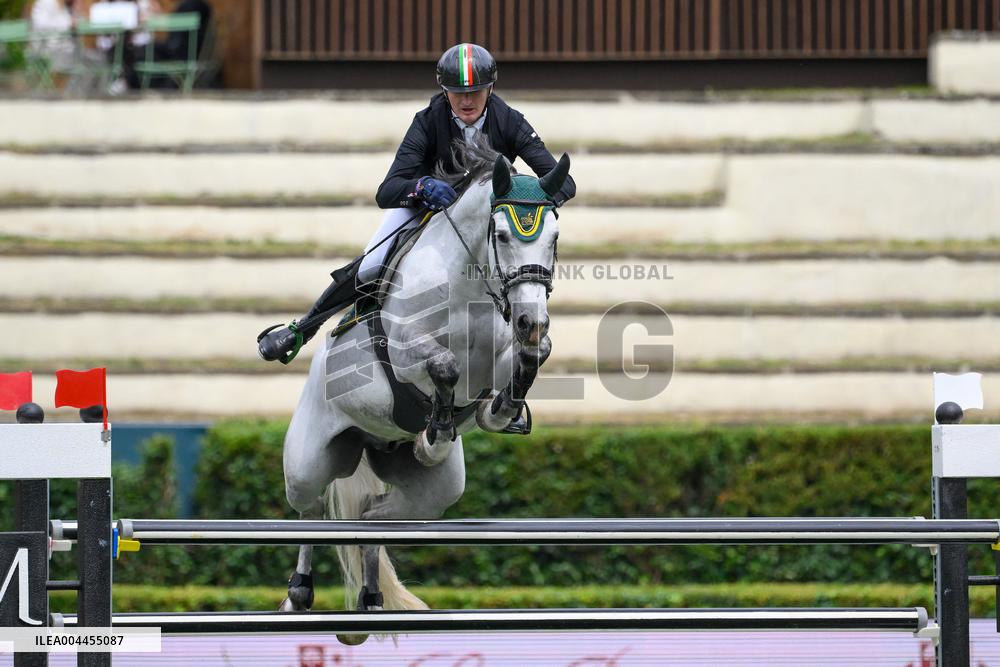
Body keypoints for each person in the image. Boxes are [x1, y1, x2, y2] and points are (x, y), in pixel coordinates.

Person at [257, 42, 576, 364]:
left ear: (490, 88)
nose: (466, 101)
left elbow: (564, 183)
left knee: (520, 268)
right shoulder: (427, 120)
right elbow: (387, 191)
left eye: (476, 92)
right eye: (456, 92)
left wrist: (522, 198)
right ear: (443, 90)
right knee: (371, 263)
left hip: (484, 218)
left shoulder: (510, 120)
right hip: (427, 211)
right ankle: (303, 329)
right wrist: (422, 186)